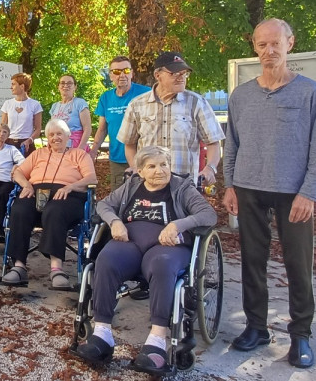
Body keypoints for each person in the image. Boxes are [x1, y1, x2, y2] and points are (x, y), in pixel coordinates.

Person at [223, 18, 316, 369]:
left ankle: (300, 334)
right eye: (261, 45)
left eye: (275, 43)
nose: (268, 51)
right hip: (249, 189)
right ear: (254, 47)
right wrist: (229, 184)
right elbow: (232, 144)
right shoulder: (241, 95)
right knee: (253, 262)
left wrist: (310, 193)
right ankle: (256, 327)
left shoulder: (310, 92)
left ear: (290, 43)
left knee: (298, 264)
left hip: (293, 193)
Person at [72, 146, 217, 372]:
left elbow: (209, 214)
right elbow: (103, 205)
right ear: (140, 171)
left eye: (164, 165)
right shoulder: (132, 186)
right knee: (106, 259)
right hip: (130, 241)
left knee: (162, 265)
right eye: (152, 166)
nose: (159, 171)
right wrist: (115, 222)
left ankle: (157, 342)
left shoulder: (182, 188)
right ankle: (102, 335)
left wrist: (178, 224)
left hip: (166, 245)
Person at [0, 118, 97, 290]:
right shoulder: (38, 154)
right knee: (20, 209)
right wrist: (26, 184)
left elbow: (91, 179)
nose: (55, 138)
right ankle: (19, 266)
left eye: (59, 133)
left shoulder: (79, 154)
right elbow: (18, 172)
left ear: (68, 136)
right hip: (36, 191)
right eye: (51, 134)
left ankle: (56, 269)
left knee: (54, 210)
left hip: (69, 195)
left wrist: (70, 187)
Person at [119, 52, 225, 185]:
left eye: (184, 73)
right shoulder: (137, 104)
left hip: (185, 186)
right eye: (174, 73)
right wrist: (135, 167)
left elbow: (213, 142)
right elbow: (129, 143)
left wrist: (210, 168)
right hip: (148, 185)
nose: (181, 78)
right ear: (158, 76)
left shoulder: (197, 103)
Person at [91, 56, 151, 188]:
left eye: (126, 70)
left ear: (132, 73)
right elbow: (102, 129)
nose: (122, 75)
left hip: (145, 158)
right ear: (111, 75)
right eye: (117, 72)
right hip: (118, 158)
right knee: (120, 198)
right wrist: (94, 150)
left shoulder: (146, 94)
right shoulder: (106, 98)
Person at [0, 122, 24, 244]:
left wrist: (16, 166)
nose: (1, 134)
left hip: (6, 180)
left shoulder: (11, 149)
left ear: (8, 135)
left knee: (3, 194)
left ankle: (0, 227)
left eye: (4, 132)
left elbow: (23, 161)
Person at [0, 73, 43, 156]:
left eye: (13, 84)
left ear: (22, 86)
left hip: (26, 143)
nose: (11, 87)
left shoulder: (35, 104)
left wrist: (29, 140)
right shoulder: (7, 103)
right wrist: (0, 140)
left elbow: (38, 128)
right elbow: (3, 126)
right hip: (9, 142)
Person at [50, 74, 92, 151]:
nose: (65, 85)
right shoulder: (54, 106)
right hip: (57, 147)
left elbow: (87, 128)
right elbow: (51, 129)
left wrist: (80, 149)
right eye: (62, 83)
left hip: (75, 147)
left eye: (69, 83)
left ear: (75, 87)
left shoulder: (80, 103)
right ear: (58, 86)